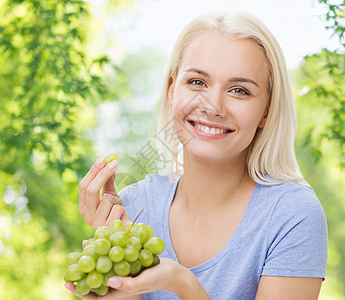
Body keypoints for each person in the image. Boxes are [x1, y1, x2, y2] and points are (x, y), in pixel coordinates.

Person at [66, 11, 328, 300]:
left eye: (239, 90)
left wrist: (182, 282)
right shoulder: (133, 207)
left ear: (266, 109)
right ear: (171, 90)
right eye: (197, 83)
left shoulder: (291, 215)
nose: (213, 106)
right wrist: (125, 280)